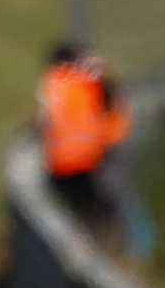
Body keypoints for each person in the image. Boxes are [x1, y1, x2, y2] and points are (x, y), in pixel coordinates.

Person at [38, 42, 142, 252]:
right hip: (94, 150)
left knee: (107, 199)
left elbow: (47, 118)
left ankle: (130, 246)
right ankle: (122, 246)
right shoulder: (85, 75)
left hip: (88, 152)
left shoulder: (58, 82)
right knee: (110, 199)